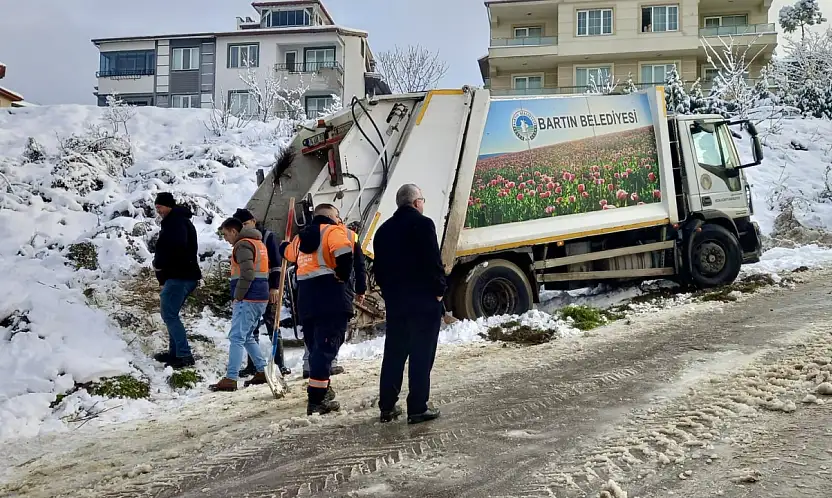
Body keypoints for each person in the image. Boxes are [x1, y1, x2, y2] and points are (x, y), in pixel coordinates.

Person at [373, 184, 446, 424]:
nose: (423, 204)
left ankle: (387, 406)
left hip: (397, 304)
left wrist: (390, 294)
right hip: (423, 302)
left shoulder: (382, 232)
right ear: (416, 203)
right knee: (421, 354)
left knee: (394, 353)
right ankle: (417, 407)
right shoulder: (424, 225)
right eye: (422, 200)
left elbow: (379, 271)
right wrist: (439, 292)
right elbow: (432, 261)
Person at [280, 204, 354, 415]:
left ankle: (322, 387)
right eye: (338, 216)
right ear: (331, 216)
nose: (339, 220)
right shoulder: (333, 231)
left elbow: (287, 253)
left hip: (306, 300)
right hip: (331, 296)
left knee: (316, 348)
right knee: (327, 346)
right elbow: (344, 253)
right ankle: (316, 399)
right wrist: (342, 275)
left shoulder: (299, 239)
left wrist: (284, 245)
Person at [209, 217, 271, 392]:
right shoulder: (258, 243)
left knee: (237, 336)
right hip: (260, 296)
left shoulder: (242, 245)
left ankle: (231, 378)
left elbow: (248, 273)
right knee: (248, 336)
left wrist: (238, 295)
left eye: (226, 234)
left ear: (234, 231)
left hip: (248, 297)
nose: (226, 239)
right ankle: (262, 370)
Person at [302, 216, 366, 378]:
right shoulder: (348, 235)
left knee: (313, 332)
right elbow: (359, 265)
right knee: (331, 335)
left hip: (308, 291)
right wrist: (360, 289)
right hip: (337, 290)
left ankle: (308, 364)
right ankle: (328, 367)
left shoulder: (306, 235)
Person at [232, 208, 291, 378]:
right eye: (241, 225)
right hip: (251, 293)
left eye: (245, 224)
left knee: (273, 326)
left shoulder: (266, 237)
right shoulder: (241, 241)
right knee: (251, 330)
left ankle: (280, 364)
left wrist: (275, 287)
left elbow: (276, 265)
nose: (244, 227)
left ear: (253, 221)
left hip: (267, 288)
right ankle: (254, 366)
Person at [151, 192, 202, 370]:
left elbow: (174, 247)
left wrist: (160, 264)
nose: (159, 211)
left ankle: (183, 354)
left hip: (180, 275)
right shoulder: (177, 220)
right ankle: (175, 352)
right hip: (182, 275)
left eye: (160, 207)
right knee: (171, 314)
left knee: (169, 314)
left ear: (169, 206)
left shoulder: (176, 222)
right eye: (157, 208)